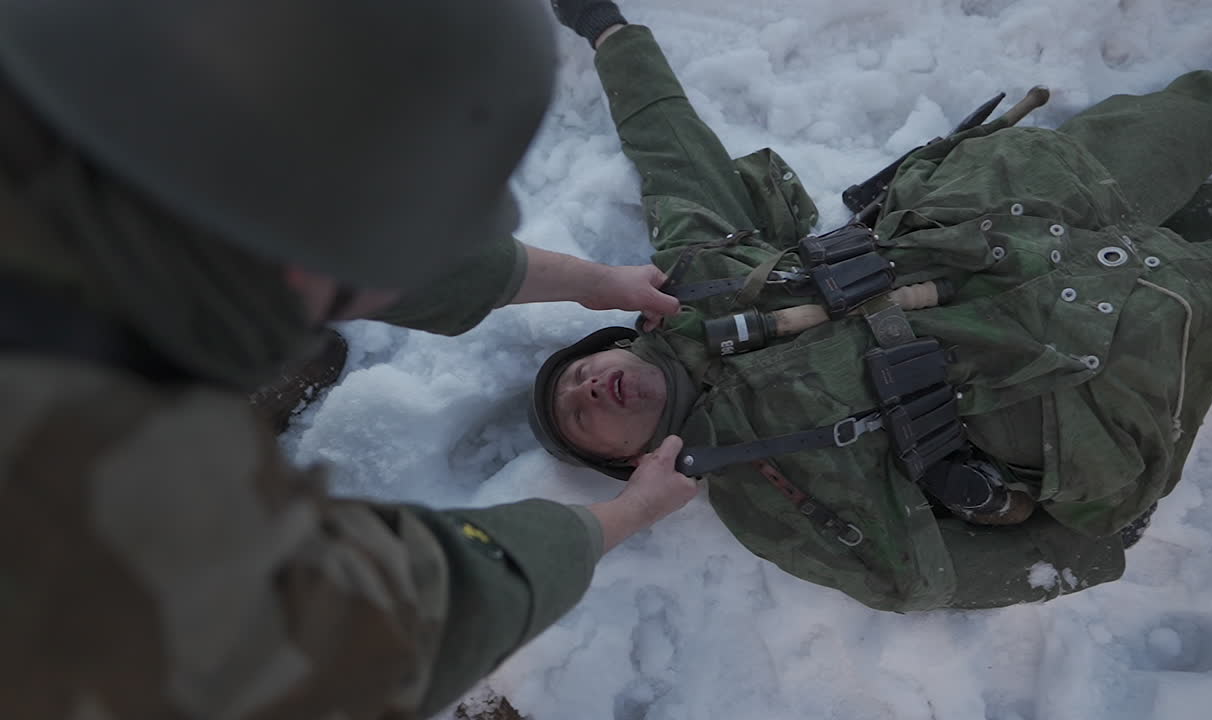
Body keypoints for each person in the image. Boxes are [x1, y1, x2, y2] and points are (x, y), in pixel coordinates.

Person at [0, 1, 699, 717]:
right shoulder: (118, 522)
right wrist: (628, 512)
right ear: (301, 261)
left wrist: (594, 282)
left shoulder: (94, 79)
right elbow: (385, 628)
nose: (590, 389)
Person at [531, 0, 1212, 612]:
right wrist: (1093, 541)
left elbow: (671, 149)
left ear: (613, 343)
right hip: (1094, 353)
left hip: (1004, 219)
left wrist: (607, 28)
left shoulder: (696, 280)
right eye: (580, 416)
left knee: (1176, 122)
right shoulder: (766, 497)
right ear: (630, 459)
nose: (587, 387)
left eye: (578, 372)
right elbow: (926, 575)